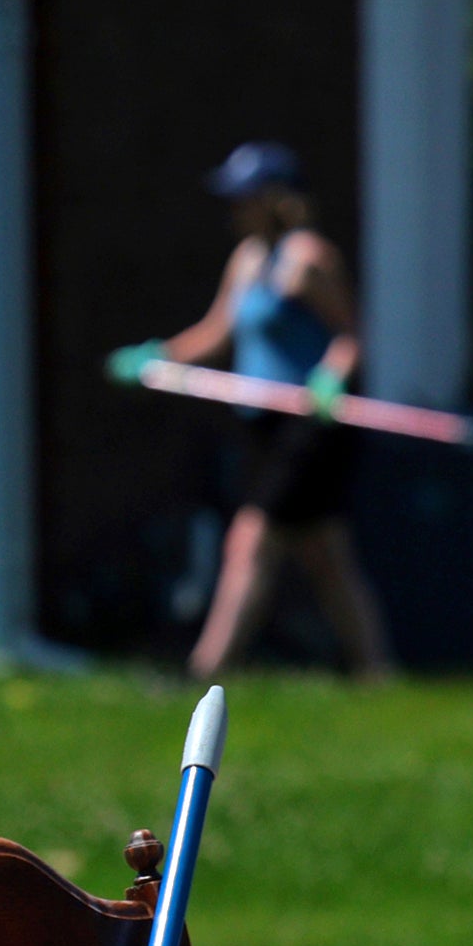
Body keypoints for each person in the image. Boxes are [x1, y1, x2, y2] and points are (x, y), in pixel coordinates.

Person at [121, 142, 392, 682]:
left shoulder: (308, 259)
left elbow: (350, 336)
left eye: (245, 196)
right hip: (262, 426)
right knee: (326, 556)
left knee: (249, 541)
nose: (236, 207)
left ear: (275, 199)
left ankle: (204, 670)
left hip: (309, 426)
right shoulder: (247, 259)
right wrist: (157, 355)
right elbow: (216, 334)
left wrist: (329, 378)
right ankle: (377, 671)